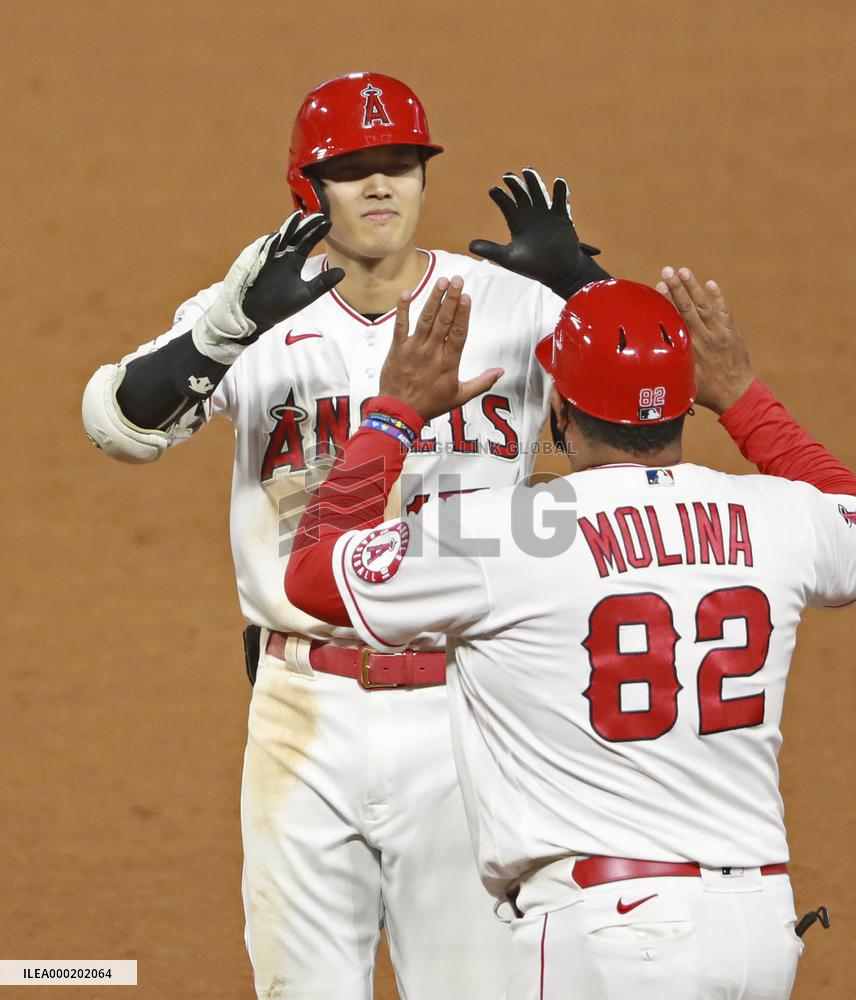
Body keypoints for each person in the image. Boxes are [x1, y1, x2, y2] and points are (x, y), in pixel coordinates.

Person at [80, 71, 608, 999]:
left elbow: (664, 399)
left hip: (470, 711)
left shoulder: (513, 303)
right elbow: (118, 426)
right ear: (307, 187)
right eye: (352, 168)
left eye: (399, 163)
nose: (380, 186)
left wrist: (585, 287)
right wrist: (223, 328)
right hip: (301, 712)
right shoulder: (254, 313)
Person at [285, 268, 856, 999]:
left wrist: (392, 415)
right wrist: (744, 398)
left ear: (559, 410)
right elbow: (839, 504)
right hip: (759, 931)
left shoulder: (513, 528)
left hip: (612, 938)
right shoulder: (777, 515)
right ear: (688, 405)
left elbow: (312, 575)